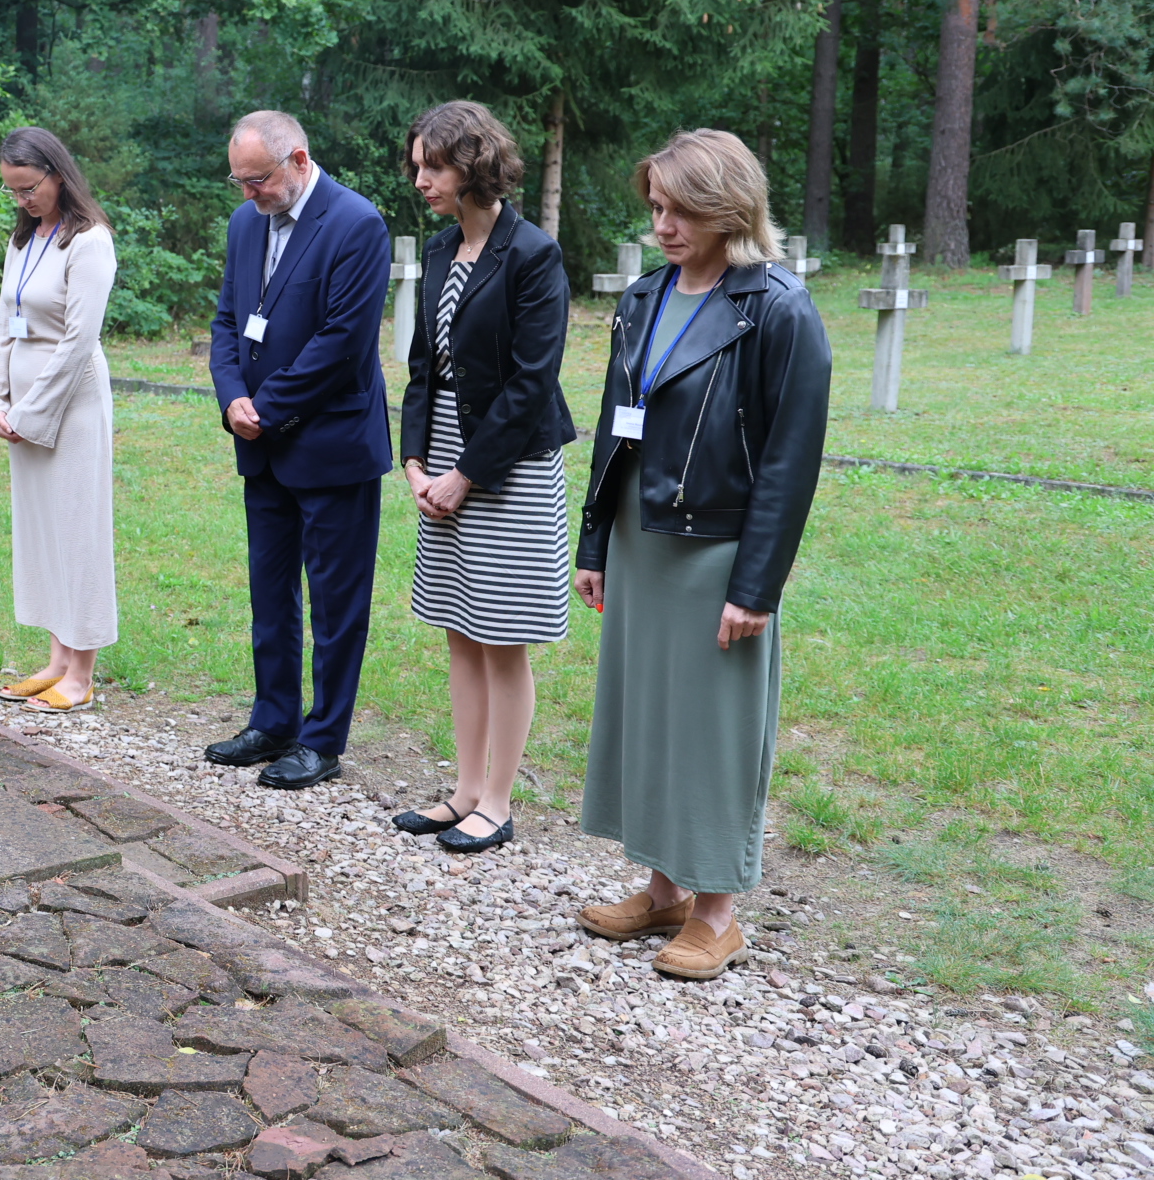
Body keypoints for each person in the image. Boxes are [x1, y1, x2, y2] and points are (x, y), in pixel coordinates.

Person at [572, 129, 830, 980]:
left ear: (729, 209)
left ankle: (717, 916)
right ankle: (663, 891)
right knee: (649, 715)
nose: (663, 226)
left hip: (719, 549)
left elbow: (790, 463)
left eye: (681, 210)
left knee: (715, 730)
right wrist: (596, 539)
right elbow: (615, 426)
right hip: (643, 537)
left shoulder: (779, 308)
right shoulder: (645, 296)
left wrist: (755, 587)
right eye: (656, 208)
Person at [391, 101, 575, 854]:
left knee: (502, 637)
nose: (421, 180)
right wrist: (414, 463)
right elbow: (423, 370)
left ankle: (498, 803)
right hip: (442, 460)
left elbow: (532, 382)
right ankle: (465, 791)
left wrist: (466, 474)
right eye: (417, 167)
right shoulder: (441, 249)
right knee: (460, 631)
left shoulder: (533, 254)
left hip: (508, 466)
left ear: (474, 165)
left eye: (434, 166)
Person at [204, 110, 392, 790]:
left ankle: (322, 739)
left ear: (300, 160)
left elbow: (342, 342)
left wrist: (268, 408)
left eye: (258, 179)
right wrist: (233, 398)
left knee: (336, 602)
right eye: (239, 180)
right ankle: (273, 720)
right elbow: (228, 321)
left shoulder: (356, 224)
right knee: (270, 591)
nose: (248, 192)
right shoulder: (245, 223)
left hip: (331, 441)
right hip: (258, 441)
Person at [0, 126, 120, 714]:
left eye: (28, 188)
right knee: (43, 531)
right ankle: (57, 660)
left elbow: (78, 340)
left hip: (70, 404)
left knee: (77, 531)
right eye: (12, 190)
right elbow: (2, 323)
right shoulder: (22, 240)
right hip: (21, 408)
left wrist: (30, 414)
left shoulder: (90, 242)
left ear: (57, 175)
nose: (22, 199)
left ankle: (81, 674)